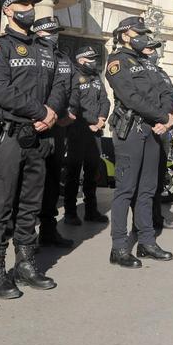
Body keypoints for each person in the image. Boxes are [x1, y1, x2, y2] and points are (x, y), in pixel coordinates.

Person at [0, 0, 66, 299]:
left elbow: (58, 82)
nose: (29, 8)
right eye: (23, 4)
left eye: (32, 4)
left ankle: (26, 264)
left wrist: (52, 111)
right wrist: (39, 110)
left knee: (31, 204)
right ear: (8, 10)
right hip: (8, 135)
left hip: (39, 136)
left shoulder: (45, 47)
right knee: (0, 205)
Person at [105, 18, 173, 267]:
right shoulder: (116, 62)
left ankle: (146, 242)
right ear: (125, 35)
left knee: (148, 188)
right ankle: (119, 247)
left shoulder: (147, 63)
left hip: (153, 130)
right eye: (139, 33)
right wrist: (162, 117)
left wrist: (167, 118)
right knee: (126, 190)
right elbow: (131, 98)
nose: (143, 37)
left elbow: (166, 91)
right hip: (132, 130)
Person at [31, 16, 75, 249]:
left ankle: (48, 230)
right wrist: (44, 113)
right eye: (49, 31)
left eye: (55, 31)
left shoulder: (63, 58)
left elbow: (70, 87)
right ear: (37, 32)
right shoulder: (30, 53)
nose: (54, 35)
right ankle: (23, 234)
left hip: (56, 126)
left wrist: (66, 111)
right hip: (35, 124)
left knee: (51, 181)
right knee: (28, 183)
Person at [62, 47, 108, 226]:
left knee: (92, 172)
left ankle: (91, 210)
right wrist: (92, 121)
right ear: (81, 60)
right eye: (90, 59)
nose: (94, 61)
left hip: (95, 132)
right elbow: (75, 104)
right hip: (78, 129)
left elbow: (105, 100)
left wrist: (102, 118)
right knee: (73, 173)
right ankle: (70, 213)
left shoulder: (96, 77)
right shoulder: (73, 75)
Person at [141, 37, 173, 234]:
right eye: (151, 48)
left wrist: (172, 115)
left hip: (164, 129)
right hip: (147, 128)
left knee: (158, 176)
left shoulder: (161, 73)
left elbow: (172, 95)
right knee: (144, 181)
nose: (155, 52)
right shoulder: (138, 70)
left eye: (157, 48)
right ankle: (142, 222)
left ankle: (156, 217)